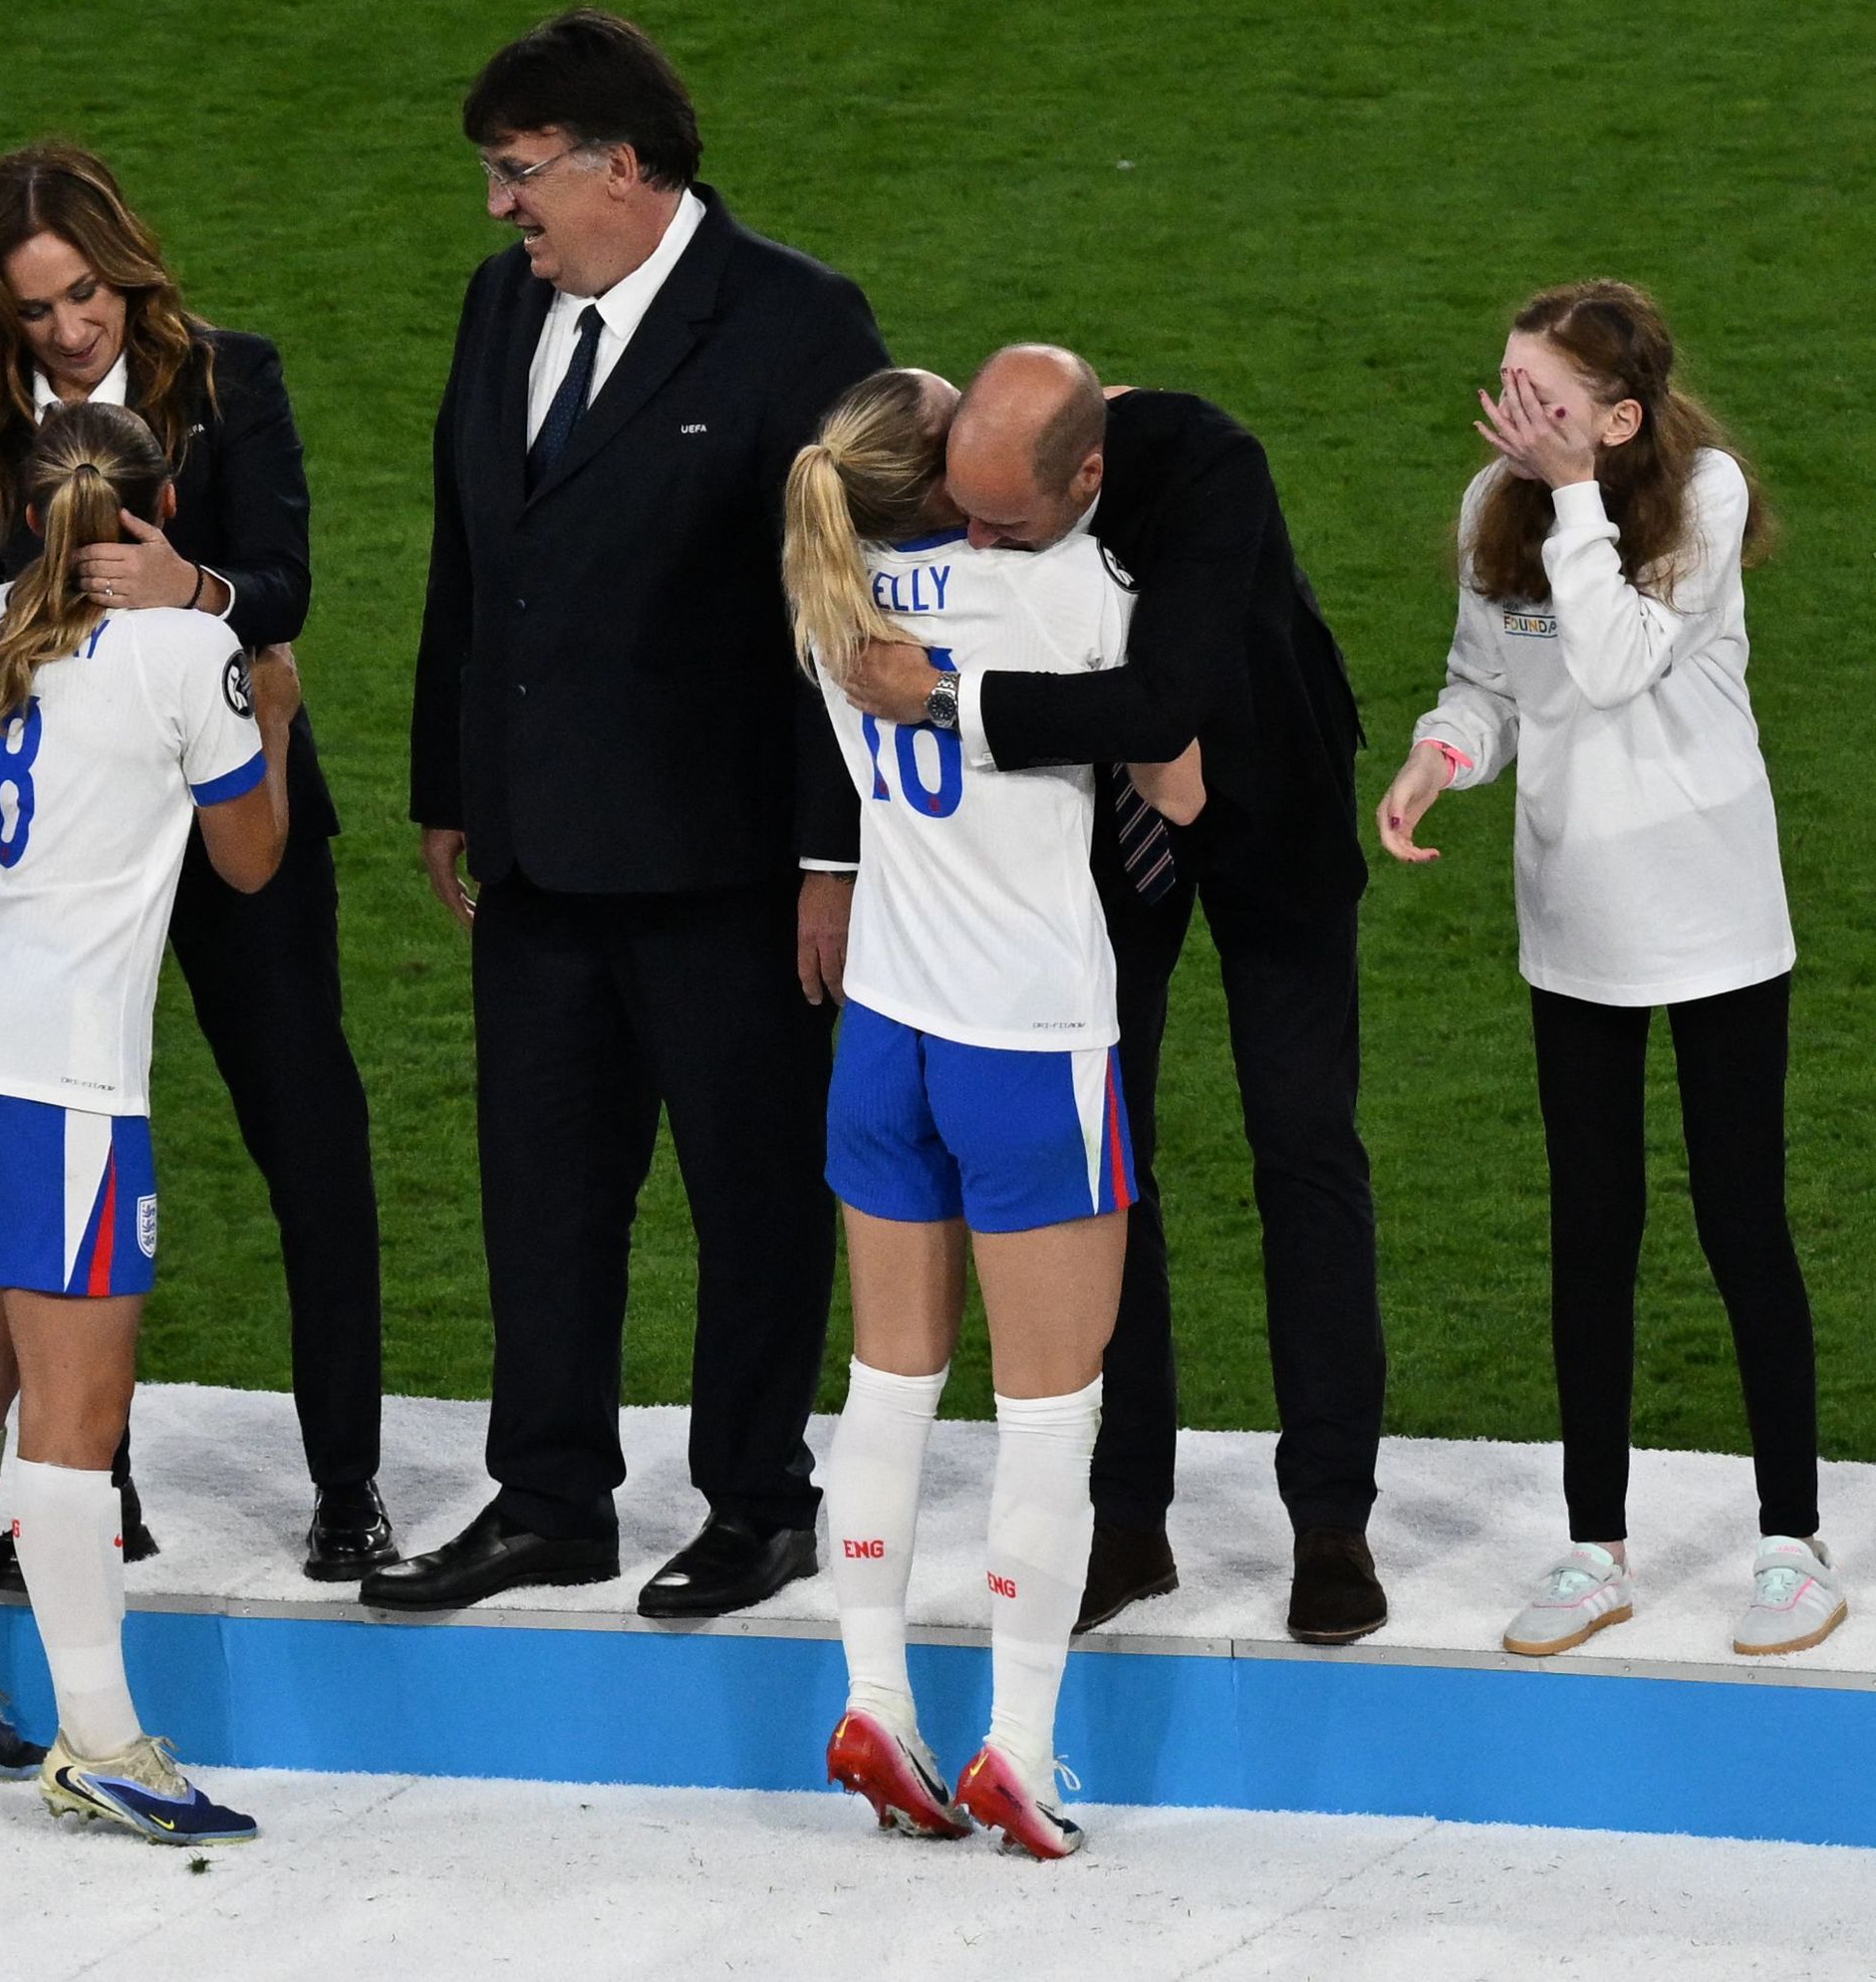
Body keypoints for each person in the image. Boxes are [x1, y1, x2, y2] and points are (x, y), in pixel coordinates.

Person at [375, 8, 886, 1619]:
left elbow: (836, 610)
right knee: (542, 1190)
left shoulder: (799, 322)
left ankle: (757, 1501)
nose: (500, 210)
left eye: (521, 176)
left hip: (727, 867)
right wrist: (449, 789)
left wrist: (834, 853)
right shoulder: (499, 304)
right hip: (535, 855)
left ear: (628, 169)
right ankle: (549, 1503)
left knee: (750, 1194)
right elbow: (475, 559)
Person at [842, 345, 1385, 1645]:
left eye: (1003, 528)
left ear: (1086, 473)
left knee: (1303, 1148)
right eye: (958, 516)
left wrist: (945, 693)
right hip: (1100, 843)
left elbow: (1163, 706)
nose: (973, 543)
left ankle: (1329, 1522)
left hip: (1264, 808)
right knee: (1106, 1163)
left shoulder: (1208, 469)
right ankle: (1127, 1520)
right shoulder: (995, 471)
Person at [0, 142, 391, 1584]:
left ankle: (348, 1482)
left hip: (236, 803)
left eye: (85, 295)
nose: (69, 330)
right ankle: (77, 1491)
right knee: (61, 1149)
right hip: (60, 857)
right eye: (36, 310)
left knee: (311, 1131)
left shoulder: (232, 383)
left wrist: (202, 590)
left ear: (128, 268)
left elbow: (289, 576)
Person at [1380, 281, 1839, 1659]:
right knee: (1594, 1231)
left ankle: (1790, 1538)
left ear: (1618, 415)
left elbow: (1618, 658)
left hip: (1712, 921)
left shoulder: (1697, 494)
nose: (1511, 413)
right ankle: (1594, 1547)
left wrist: (1574, 495)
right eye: (1509, 385)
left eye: (1545, 398)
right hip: (1574, 924)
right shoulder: (1494, 508)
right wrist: (1439, 756)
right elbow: (1494, 682)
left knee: (1739, 1222)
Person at [0, 401, 297, 1844]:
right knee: (78, 1416)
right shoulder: (193, 653)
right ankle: (102, 1741)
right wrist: (275, 718)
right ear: (162, 502)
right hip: (59, 1075)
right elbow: (250, 862)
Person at [787, 369, 1199, 1860]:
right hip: (1028, 1040)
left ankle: (876, 1695)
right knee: (1047, 1413)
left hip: (886, 1033)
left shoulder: (823, 589)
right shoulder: (1073, 593)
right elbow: (1183, 771)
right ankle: (1019, 1742)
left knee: (888, 1383)